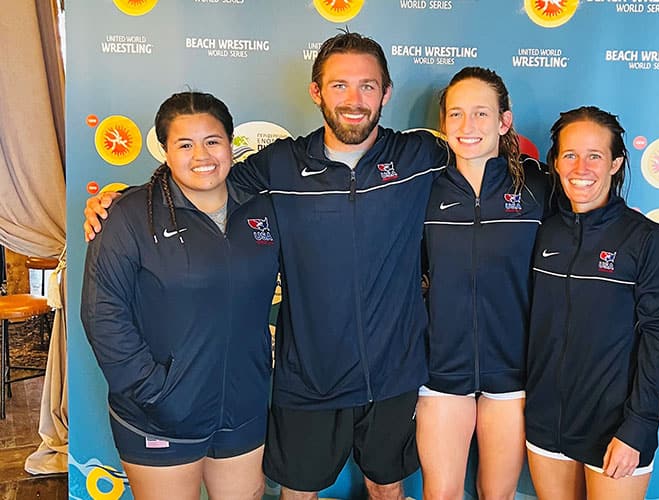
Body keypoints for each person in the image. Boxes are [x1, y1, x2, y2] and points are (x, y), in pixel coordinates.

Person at [84, 33, 448, 500]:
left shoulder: (420, 157)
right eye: (339, 86)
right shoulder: (279, 166)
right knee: (296, 493)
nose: (353, 100)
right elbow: (199, 175)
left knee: (388, 489)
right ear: (316, 92)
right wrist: (117, 204)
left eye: (367, 86)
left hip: (395, 374)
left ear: (386, 92)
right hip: (308, 379)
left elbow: (482, 167)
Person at [81, 92, 280, 500]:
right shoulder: (130, 216)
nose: (201, 155)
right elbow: (103, 314)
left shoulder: (263, 210)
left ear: (230, 144)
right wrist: (156, 392)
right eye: (184, 144)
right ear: (165, 151)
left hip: (243, 407)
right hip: (159, 415)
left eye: (213, 141)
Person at [524, 106, 659, 500]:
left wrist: (638, 427)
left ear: (616, 163)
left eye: (595, 155)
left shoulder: (647, 240)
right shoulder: (541, 233)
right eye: (570, 155)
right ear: (555, 163)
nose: (581, 167)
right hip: (547, 423)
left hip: (616, 428)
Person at [417, 67, 549, 499]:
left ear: (504, 121)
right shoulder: (423, 189)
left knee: (498, 493)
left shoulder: (538, 186)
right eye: (456, 114)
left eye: (480, 113)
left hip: (513, 372)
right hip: (441, 370)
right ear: (443, 123)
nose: (467, 126)